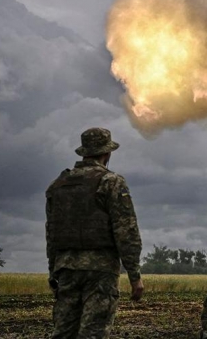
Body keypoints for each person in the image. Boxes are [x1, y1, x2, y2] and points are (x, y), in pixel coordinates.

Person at [46, 127, 144, 339]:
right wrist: (135, 276)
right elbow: (126, 230)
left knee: (63, 332)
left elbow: (52, 233)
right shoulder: (111, 182)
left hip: (66, 268)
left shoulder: (58, 185)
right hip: (100, 271)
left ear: (83, 152)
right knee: (93, 333)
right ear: (106, 153)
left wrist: (53, 271)